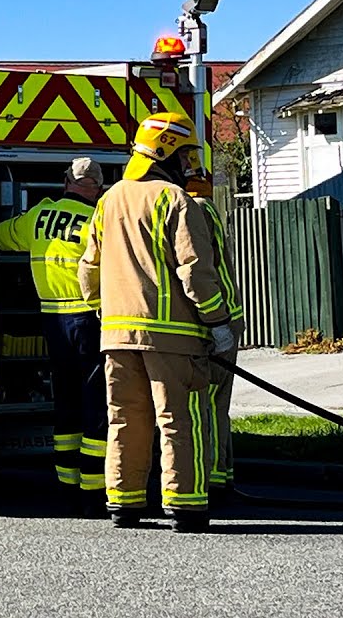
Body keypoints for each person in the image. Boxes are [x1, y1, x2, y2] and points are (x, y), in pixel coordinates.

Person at [78, 112, 235, 534]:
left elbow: (87, 270)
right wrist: (218, 323)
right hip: (174, 338)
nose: (191, 166)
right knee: (179, 420)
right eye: (186, 155)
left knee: (125, 419)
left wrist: (104, 312)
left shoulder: (109, 200)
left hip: (116, 337)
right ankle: (186, 507)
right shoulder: (175, 200)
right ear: (166, 152)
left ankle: (124, 504)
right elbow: (195, 271)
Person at [0, 157, 109, 516]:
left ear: (66, 182)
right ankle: (94, 491)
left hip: (52, 321)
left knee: (67, 405)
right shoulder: (97, 221)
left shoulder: (38, 217)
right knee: (97, 405)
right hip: (90, 320)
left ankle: (67, 489)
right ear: (99, 188)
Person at [183, 173, 245, 502]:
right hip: (228, 318)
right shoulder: (209, 208)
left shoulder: (195, 211)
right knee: (218, 406)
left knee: (204, 406)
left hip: (214, 323)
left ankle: (210, 478)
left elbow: (195, 269)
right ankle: (222, 475)